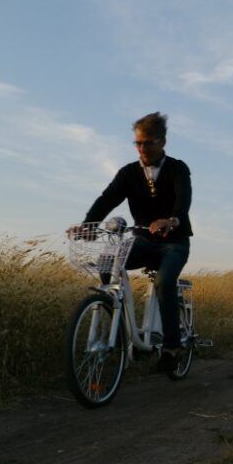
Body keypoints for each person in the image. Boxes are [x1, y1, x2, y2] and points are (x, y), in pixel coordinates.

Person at [76, 112, 193, 373]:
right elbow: (107, 199)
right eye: (138, 143)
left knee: (164, 281)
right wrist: (88, 225)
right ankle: (113, 318)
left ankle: (172, 347)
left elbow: (182, 202)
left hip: (174, 244)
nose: (142, 148)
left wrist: (170, 220)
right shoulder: (128, 173)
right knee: (107, 262)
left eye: (148, 143)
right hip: (142, 242)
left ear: (162, 142)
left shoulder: (178, 169)